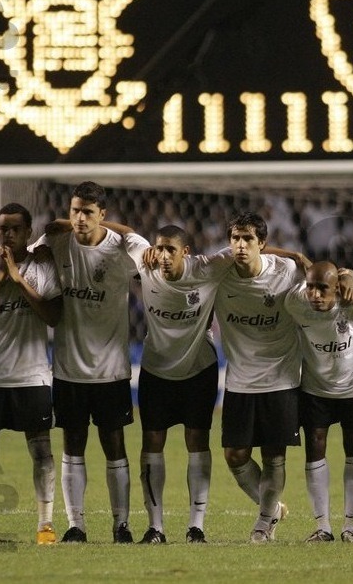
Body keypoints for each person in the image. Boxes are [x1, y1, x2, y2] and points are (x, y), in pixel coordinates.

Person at [33, 181, 149, 543]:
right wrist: (58, 227)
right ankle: (76, 525)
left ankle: (121, 525)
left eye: (87, 212)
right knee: (72, 444)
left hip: (111, 368)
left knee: (114, 445)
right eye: (75, 211)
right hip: (68, 368)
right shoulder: (55, 243)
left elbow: (137, 240)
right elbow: (34, 249)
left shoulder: (123, 248)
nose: (79, 218)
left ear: (103, 215)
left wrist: (72, 224)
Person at [0, 203, 62, 545]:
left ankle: (45, 526)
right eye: (3, 228)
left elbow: (52, 315)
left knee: (42, 452)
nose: (8, 234)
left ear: (28, 233)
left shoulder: (43, 266)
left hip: (32, 376)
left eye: (15, 229)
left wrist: (18, 281)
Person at [131, 225, 232, 544]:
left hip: (199, 368)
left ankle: (196, 527)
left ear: (185, 252)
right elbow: (119, 234)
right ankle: (155, 527)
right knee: (152, 443)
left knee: (197, 442)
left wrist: (296, 256)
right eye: (159, 248)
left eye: (170, 249)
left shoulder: (207, 267)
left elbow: (252, 251)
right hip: (156, 370)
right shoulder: (144, 262)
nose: (162, 255)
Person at [283, 260, 353, 543]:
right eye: (311, 287)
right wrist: (348, 273)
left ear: (337, 288)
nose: (315, 295)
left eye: (323, 289)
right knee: (314, 448)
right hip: (315, 388)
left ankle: (350, 526)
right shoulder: (296, 302)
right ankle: (323, 526)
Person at [214, 211, 304, 543]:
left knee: (273, 455)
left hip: (281, 378)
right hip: (240, 378)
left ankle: (264, 524)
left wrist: (297, 256)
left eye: (248, 239)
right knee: (234, 454)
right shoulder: (219, 272)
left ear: (262, 244)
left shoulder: (288, 271)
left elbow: (322, 279)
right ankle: (271, 508)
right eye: (235, 238)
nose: (240, 245)